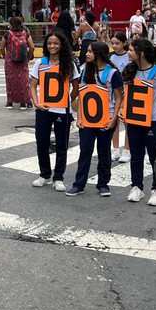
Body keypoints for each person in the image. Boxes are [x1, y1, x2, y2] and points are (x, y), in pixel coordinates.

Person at [121, 37, 156, 205]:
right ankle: (137, 187)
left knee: (154, 156)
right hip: (133, 119)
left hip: (153, 120)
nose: (128, 52)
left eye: (131, 50)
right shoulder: (129, 70)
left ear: (142, 53)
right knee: (136, 154)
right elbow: (126, 94)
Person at [67, 42, 124, 197]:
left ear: (99, 54)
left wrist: (113, 119)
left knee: (103, 151)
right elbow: (82, 96)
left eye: (90, 52)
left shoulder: (112, 73)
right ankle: (79, 184)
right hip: (87, 119)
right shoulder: (85, 71)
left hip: (106, 118)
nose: (86, 54)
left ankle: (103, 184)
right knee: (85, 150)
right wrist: (79, 117)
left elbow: (119, 97)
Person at [29, 30, 79, 191]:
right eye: (49, 43)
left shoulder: (68, 64)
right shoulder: (40, 63)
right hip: (43, 110)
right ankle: (44, 174)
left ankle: (58, 177)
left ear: (61, 45)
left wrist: (67, 101)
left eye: (56, 43)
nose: (52, 46)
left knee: (61, 144)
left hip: (62, 112)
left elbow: (76, 86)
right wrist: (36, 103)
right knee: (42, 142)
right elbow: (32, 85)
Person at [0, 16, 35, 109]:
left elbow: (2, 48)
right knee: (23, 81)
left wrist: (5, 57)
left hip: (10, 60)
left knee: (10, 81)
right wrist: (28, 57)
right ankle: (23, 103)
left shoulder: (7, 34)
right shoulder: (25, 33)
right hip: (23, 60)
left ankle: (10, 102)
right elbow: (32, 47)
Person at [108, 31, 131, 164]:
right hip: (113, 92)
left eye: (117, 43)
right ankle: (115, 148)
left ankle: (127, 149)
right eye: (113, 43)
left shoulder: (129, 56)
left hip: (128, 91)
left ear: (124, 43)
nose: (115, 46)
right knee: (114, 120)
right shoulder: (110, 57)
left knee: (127, 121)